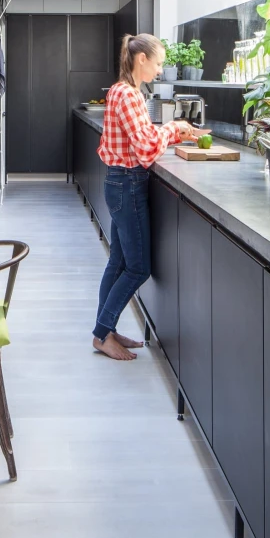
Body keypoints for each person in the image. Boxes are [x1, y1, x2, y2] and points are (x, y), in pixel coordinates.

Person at [92, 34, 206, 361]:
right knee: (138, 268)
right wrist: (172, 129)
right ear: (141, 58)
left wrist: (168, 131)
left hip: (121, 183)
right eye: (157, 63)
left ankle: (106, 329)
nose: (159, 70)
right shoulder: (127, 95)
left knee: (119, 263)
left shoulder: (127, 93)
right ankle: (102, 334)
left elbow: (143, 140)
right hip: (127, 184)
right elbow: (145, 149)